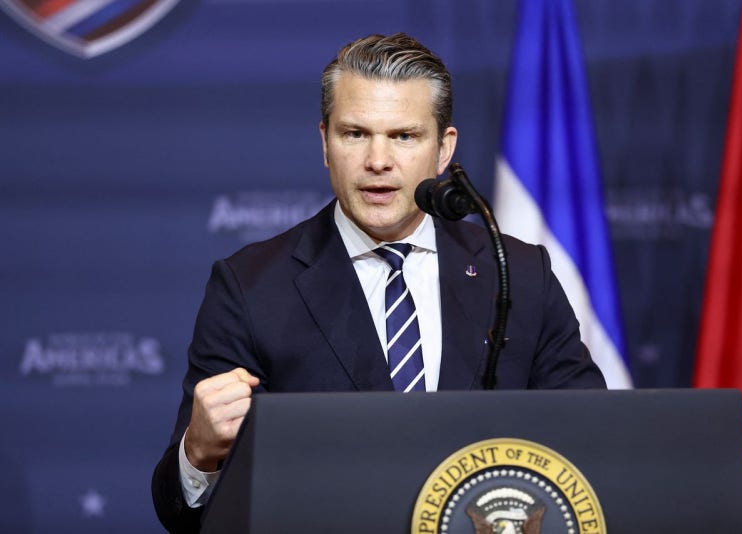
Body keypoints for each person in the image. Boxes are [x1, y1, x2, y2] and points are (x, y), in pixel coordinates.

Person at [151, 32, 606, 533]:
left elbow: (591, 443)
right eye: (355, 134)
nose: (378, 161)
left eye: (404, 136)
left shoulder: (517, 273)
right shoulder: (251, 286)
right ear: (325, 143)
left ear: (443, 149)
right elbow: (181, 514)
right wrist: (199, 452)